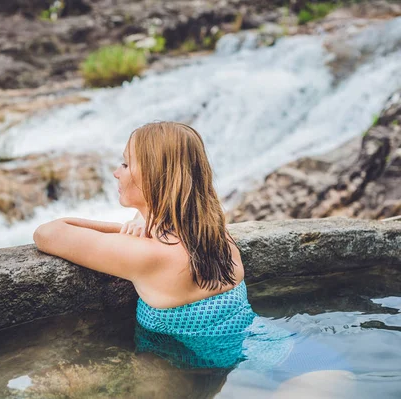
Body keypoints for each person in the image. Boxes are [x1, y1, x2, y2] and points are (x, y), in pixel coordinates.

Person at [33, 121, 354, 398]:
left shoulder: (149, 255)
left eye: (126, 165)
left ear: (154, 176)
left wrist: (123, 229)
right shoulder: (215, 234)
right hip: (302, 361)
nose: (117, 173)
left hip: (283, 372)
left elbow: (48, 232)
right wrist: (147, 220)